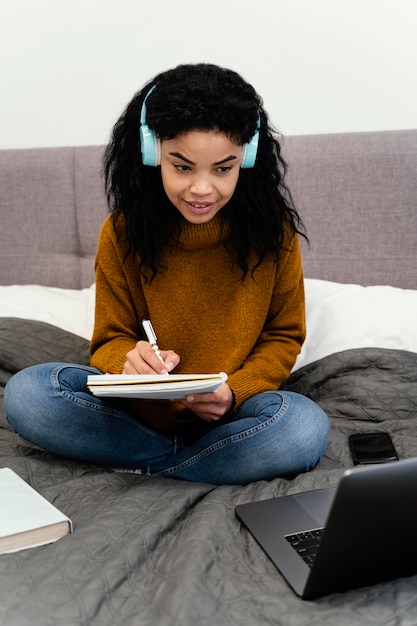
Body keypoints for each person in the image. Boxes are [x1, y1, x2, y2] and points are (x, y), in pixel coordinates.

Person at [4, 63, 329, 485]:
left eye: (223, 168)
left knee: (302, 429)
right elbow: (109, 337)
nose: (201, 189)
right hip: (138, 416)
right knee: (29, 393)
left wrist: (234, 392)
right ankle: (197, 464)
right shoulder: (122, 232)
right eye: (182, 167)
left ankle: (156, 468)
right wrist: (129, 362)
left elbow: (284, 335)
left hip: (234, 415)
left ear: (246, 159)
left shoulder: (274, 232)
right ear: (151, 153)